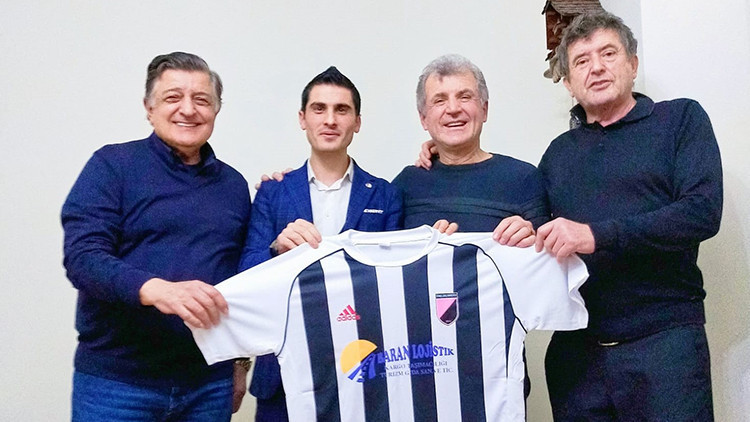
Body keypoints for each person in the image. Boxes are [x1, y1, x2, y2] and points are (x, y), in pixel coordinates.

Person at [535, 11, 722, 420]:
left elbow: (702, 212)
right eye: (581, 61)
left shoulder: (680, 120)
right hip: (577, 358)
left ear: (633, 64)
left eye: (608, 53)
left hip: (665, 347)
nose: (597, 67)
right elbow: (532, 227)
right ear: (568, 83)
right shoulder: (557, 154)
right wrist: (443, 152)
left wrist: (596, 235)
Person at [61, 52, 251, 421]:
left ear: (216, 110)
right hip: (118, 385)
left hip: (209, 384)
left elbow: (241, 277)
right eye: (173, 97)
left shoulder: (233, 185)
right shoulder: (111, 166)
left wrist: (240, 362)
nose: (188, 109)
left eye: (201, 99)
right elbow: (83, 258)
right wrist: (158, 290)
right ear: (149, 108)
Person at [238, 66, 403, 421]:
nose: (330, 120)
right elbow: (246, 273)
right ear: (303, 118)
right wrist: (275, 250)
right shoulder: (273, 192)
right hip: (282, 373)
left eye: (341, 110)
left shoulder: (386, 195)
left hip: (364, 370)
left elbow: (395, 286)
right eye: (319, 109)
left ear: (357, 122)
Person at [397, 54, 548, 402]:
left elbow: (548, 270)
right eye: (439, 100)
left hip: (499, 370)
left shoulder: (524, 179)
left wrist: (531, 240)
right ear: (423, 119)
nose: (453, 109)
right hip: (419, 368)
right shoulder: (404, 185)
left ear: (484, 108)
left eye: (464, 96)